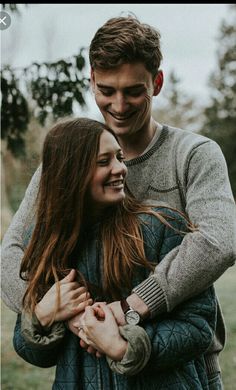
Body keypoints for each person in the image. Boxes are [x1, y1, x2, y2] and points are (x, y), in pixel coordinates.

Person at [1, 15, 236, 387]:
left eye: (133, 91)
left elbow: (219, 240)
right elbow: (13, 252)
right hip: (85, 368)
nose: (119, 104)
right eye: (107, 90)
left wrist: (130, 310)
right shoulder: (65, 163)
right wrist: (56, 311)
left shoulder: (193, 155)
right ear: (91, 80)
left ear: (156, 83)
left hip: (177, 370)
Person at [14, 117, 217, 389]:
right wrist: (41, 316)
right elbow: (33, 352)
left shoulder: (162, 226)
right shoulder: (44, 244)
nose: (120, 168)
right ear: (70, 172)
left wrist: (124, 346)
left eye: (119, 157)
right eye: (103, 162)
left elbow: (198, 327)